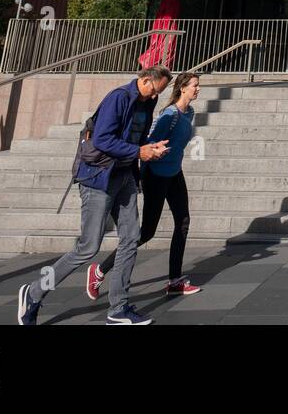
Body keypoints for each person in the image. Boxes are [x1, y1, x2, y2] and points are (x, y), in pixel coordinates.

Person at [17, 66, 172, 326]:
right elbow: (102, 140)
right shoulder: (119, 98)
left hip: (124, 177)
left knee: (131, 238)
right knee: (88, 247)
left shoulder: (147, 102)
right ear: (144, 80)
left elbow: (136, 138)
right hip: (98, 178)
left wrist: (150, 148)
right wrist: (138, 152)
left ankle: (118, 308)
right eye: (154, 90)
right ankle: (33, 293)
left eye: (159, 93)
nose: (154, 96)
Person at [87, 71, 202, 301]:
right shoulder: (170, 115)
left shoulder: (189, 112)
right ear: (182, 88)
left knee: (183, 221)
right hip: (156, 175)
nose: (198, 89)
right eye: (195, 86)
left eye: (198, 86)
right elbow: (147, 144)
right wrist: (143, 169)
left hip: (174, 172)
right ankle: (99, 270)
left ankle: (175, 280)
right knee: (147, 232)